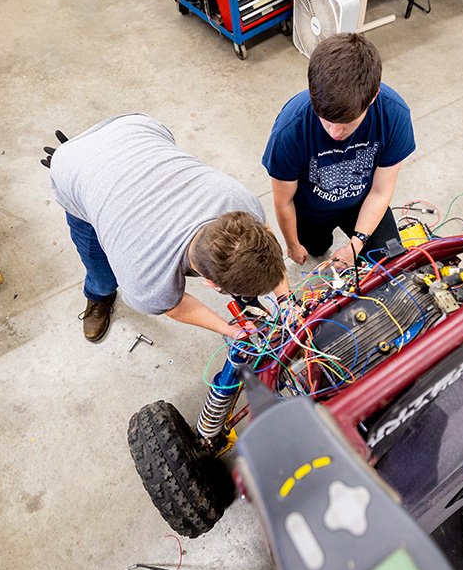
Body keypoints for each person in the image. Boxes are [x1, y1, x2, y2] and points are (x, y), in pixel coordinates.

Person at [43, 113, 288, 343]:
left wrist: (286, 300)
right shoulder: (144, 279)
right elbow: (175, 307)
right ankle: (99, 296)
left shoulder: (241, 203)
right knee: (102, 275)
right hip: (77, 163)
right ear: (211, 284)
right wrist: (230, 330)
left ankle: (246, 292)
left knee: (237, 268)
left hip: (138, 128)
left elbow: (265, 238)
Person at [262, 33, 416, 268]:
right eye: (325, 119)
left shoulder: (393, 115)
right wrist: (292, 245)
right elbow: (283, 201)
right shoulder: (290, 129)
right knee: (315, 249)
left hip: (362, 201)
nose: (334, 133)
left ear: (373, 97)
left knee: (391, 260)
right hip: (311, 209)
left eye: (347, 122)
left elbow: (381, 191)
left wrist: (355, 245)